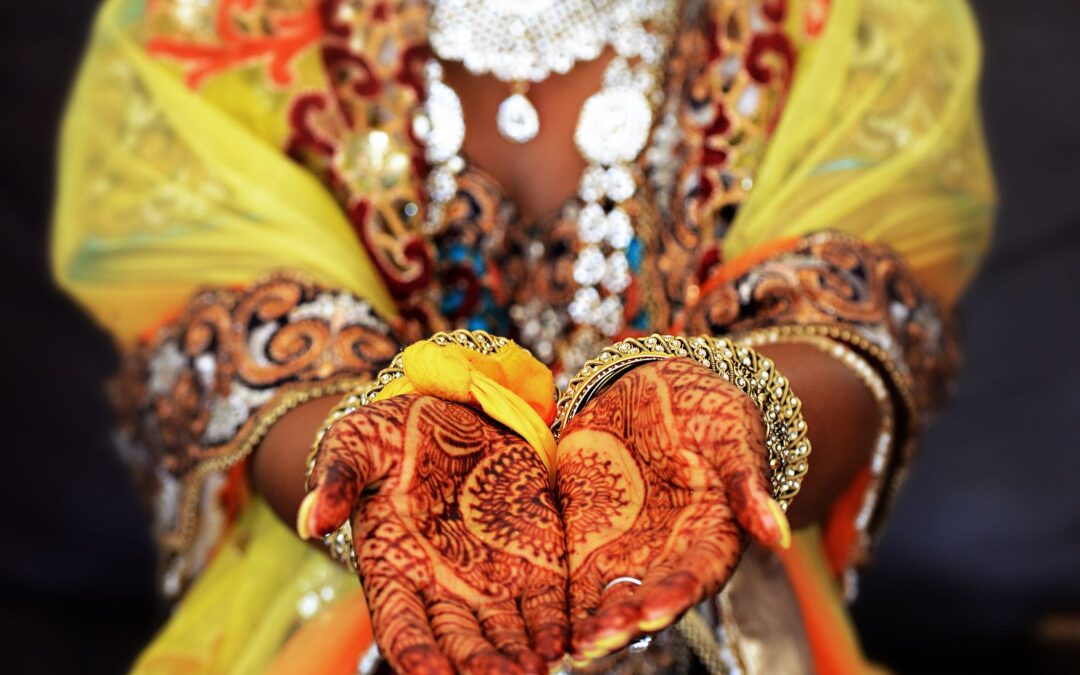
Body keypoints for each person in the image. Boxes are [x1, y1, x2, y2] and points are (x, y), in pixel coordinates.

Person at [51, 0, 995, 672]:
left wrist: (729, 416)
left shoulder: (841, 18)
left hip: (718, 628)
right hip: (342, 626)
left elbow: (861, 301)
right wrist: (379, 480)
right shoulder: (214, 22)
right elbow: (218, 321)